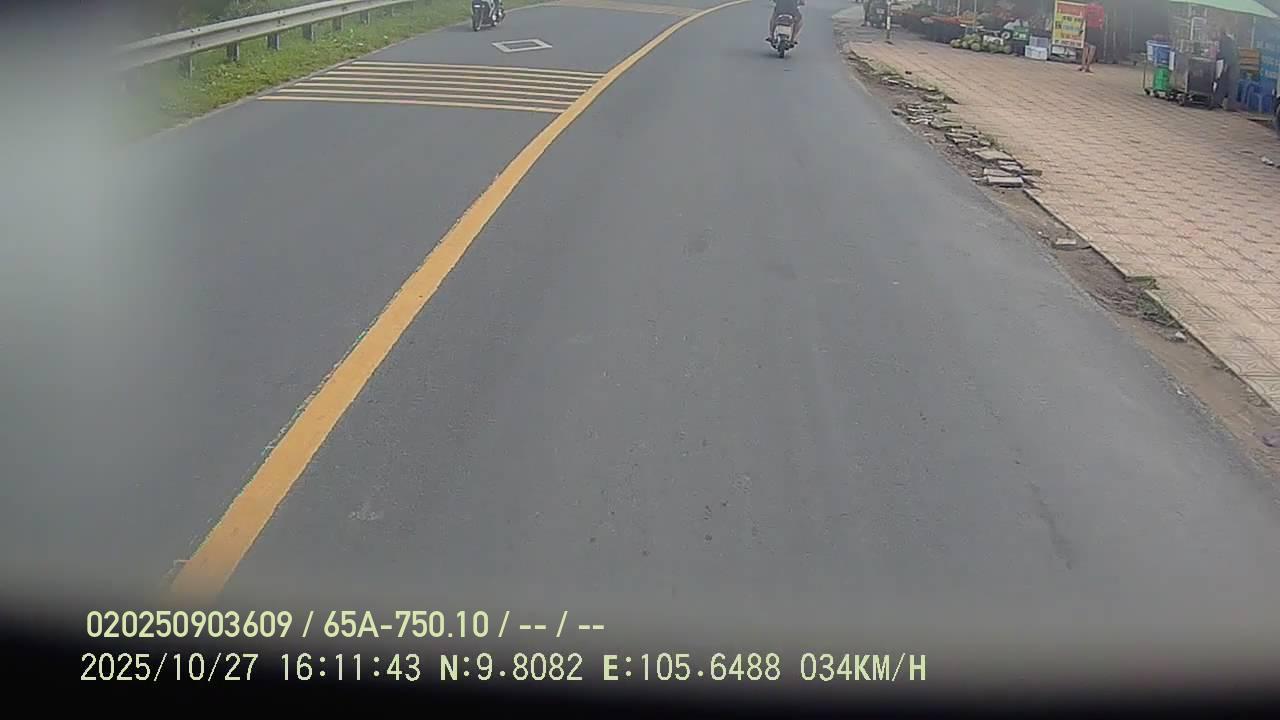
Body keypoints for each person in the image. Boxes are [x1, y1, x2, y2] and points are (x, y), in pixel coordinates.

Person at [1212, 29, 1240, 111]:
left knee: (1232, 85)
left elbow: (1231, 55)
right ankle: (1217, 102)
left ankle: (1231, 106)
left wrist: (1226, 66)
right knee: (1221, 83)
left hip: (1232, 65)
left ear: (1220, 33)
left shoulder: (1227, 41)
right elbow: (1221, 54)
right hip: (1226, 64)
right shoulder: (1222, 41)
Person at [1080, 2, 1104, 72]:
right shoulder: (1100, 8)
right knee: (1092, 48)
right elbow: (1101, 21)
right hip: (1096, 29)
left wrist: (1080, 28)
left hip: (1088, 28)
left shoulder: (1088, 7)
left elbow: (1084, 18)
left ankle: (1082, 66)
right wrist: (1100, 29)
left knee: (1086, 47)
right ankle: (1087, 66)